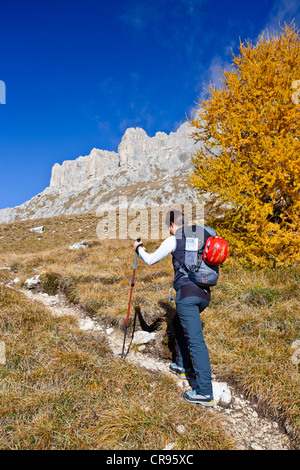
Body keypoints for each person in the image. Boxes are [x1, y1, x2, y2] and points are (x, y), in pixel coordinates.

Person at [133, 210, 214, 407]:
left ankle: (205, 392)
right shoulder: (202, 234)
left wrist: (138, 248)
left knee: (196, 341)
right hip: (204, 293)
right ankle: (181, 364)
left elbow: (150, 259)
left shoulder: (174, 239)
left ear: (172, 224)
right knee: (178, 323)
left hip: (187, 295)